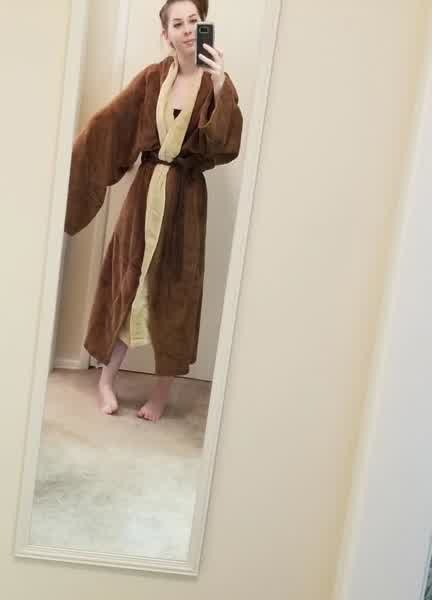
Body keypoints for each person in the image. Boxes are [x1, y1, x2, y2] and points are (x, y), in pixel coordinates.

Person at [64, 0, 243, 421]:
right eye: (178, 23)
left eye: (194, 21)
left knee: (176, 294)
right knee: (127, 286)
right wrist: (66, 164)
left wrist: (220, 86)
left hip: (185, 201)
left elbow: (224, 145)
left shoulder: (218, 82)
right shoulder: (152, 79)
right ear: (166, 34)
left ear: (204, 26)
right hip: (144, 196)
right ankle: (106, 380)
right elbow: (111, 125)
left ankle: (161, 394)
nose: (187, 29)